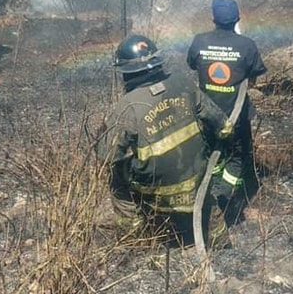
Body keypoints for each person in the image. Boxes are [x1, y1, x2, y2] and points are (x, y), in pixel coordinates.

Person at [96, 34, 232, 247]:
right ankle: (219, 239)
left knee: (116, 180)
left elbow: (106, 156)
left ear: (126, 74)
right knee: (206, 198)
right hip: (197, 182)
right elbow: (223, 126)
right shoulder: (183, 83)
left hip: (157, 193)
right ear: (157, 63)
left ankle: (134, 238)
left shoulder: (126, 108)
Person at [187, 0, 267, 224]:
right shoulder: (247, 45)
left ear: (212, 18)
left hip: (206, 116)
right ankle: (224, 193)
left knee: (211, 151)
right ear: (237, 19)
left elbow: (193, 64)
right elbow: (254, 76)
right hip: (236, 116)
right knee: (239, 154)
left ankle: (212, 190)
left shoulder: (199, 41)